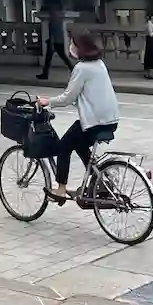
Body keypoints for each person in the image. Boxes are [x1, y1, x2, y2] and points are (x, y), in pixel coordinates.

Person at [40, 28, 120, 203]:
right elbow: (89, 95)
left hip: (95, 122)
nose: (70, 46)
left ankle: (61, 190)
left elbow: (68, 97)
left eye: (72, 43)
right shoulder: (99, 63)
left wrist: (47, 102)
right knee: (78, 143)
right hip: (110, 120)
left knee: (64, 146)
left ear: (79, 47)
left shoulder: (81, 68)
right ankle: (100, 182)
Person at [36, 5, 72, 81]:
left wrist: (51, 43)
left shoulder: (53, 22)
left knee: (53, 59)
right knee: (57, 58)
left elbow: (53, 33)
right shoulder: (58, 21)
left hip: (55, 42)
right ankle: (45, 74)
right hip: (58, 42)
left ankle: (45, 74)